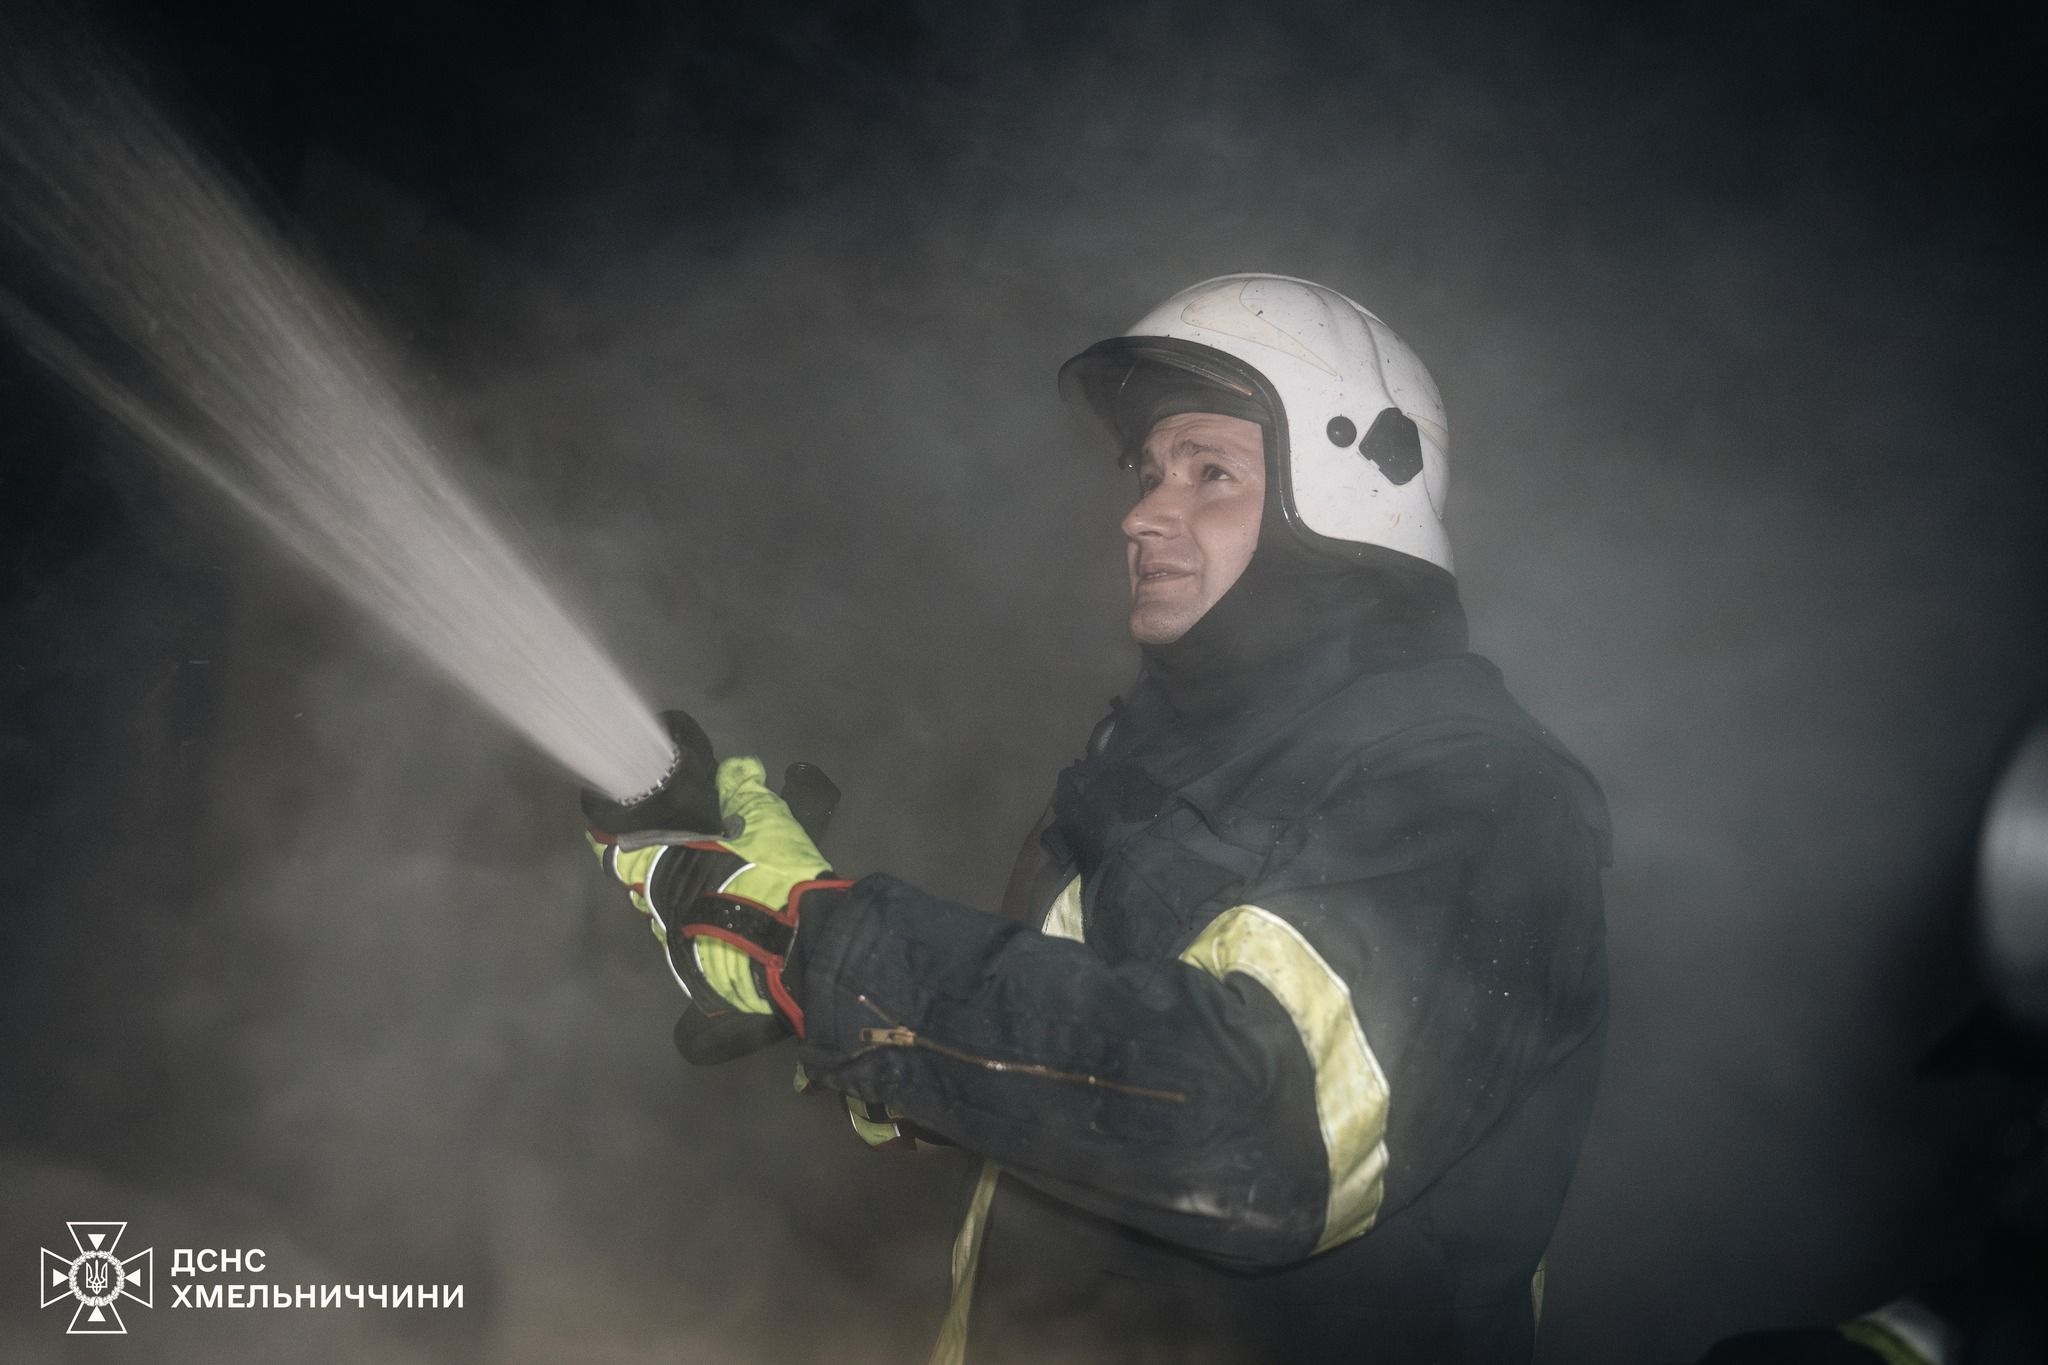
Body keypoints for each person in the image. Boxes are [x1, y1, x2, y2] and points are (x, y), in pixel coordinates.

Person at [585, 273, 1613, 1364]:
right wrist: (800, 972)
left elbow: (1257, 1133)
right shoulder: (1145, 784)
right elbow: (1069, 1080)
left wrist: (818, 943)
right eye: (1145, 471)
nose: (1139, 512)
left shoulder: (1476, 785)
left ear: (1353, 497)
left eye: (1209, 472)